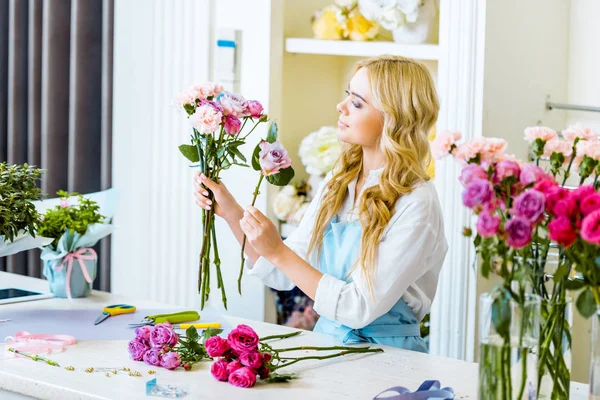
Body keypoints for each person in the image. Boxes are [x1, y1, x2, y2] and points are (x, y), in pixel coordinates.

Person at [194, 55, 448, 352]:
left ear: (393, 118)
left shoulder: (417, 202)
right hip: (327, 344)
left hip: (389, 357)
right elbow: (282, 271)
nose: (341, 107)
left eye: (357, 102)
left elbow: (358, 308)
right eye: (347, 96)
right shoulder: (340, 180)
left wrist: (278, 251)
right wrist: (231, 212)